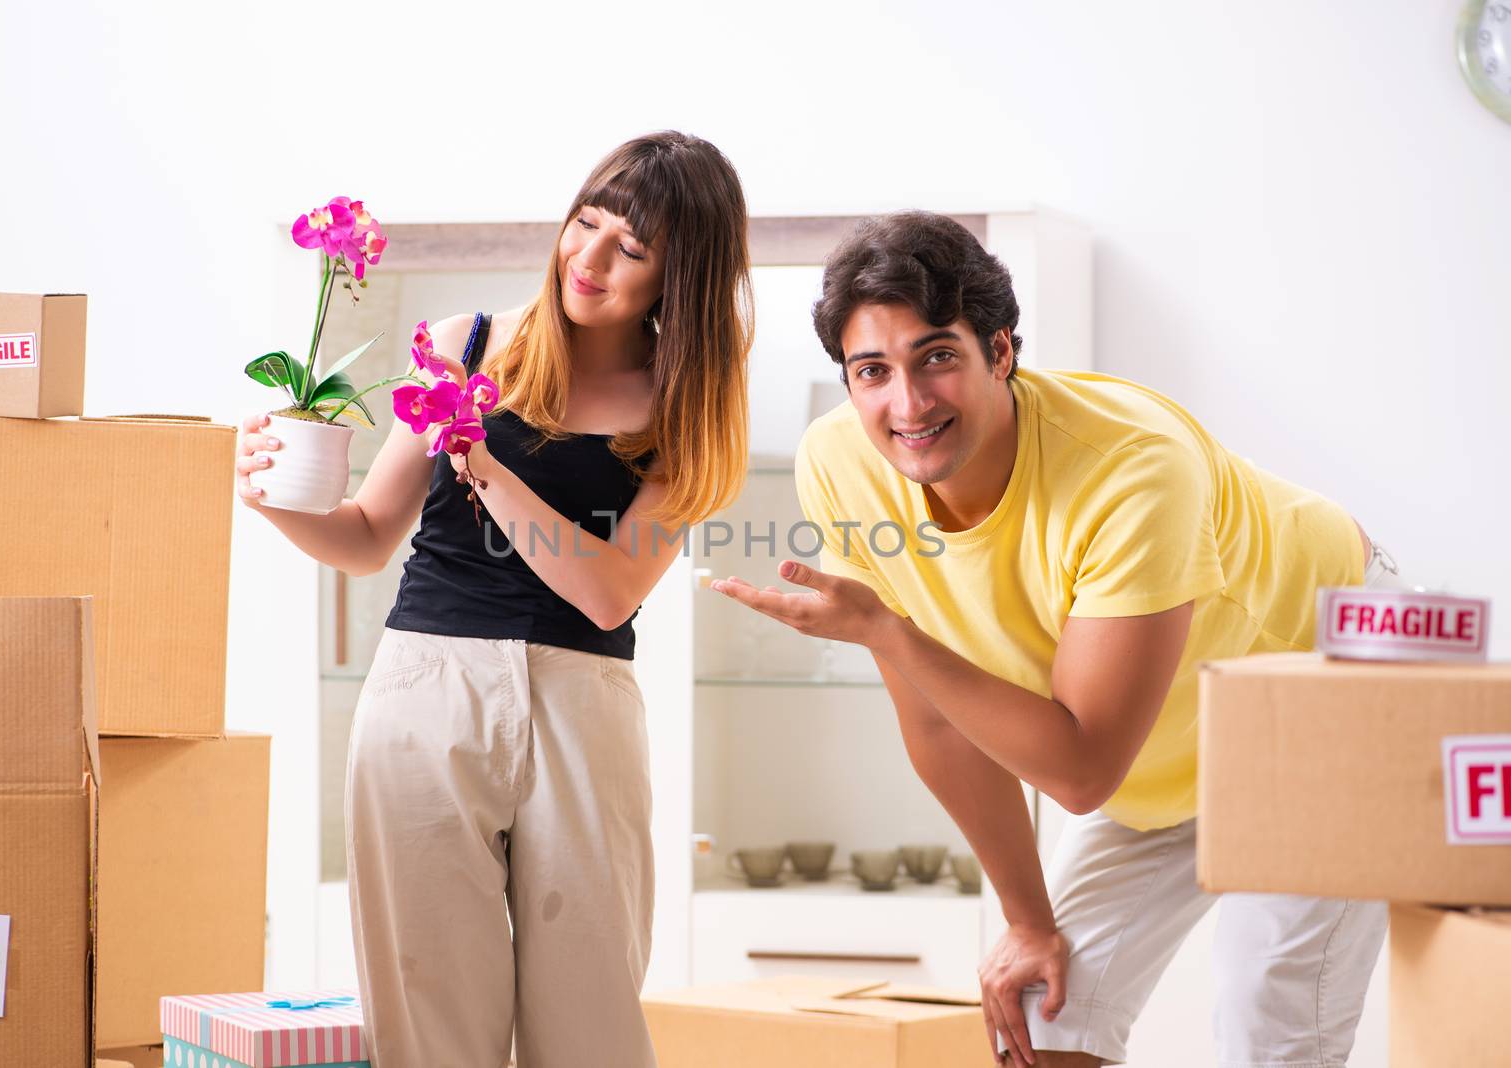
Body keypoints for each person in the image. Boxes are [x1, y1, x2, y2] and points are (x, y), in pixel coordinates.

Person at [711, 210, 1398, 1068]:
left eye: (938, 358)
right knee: (1041, 1017)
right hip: (1159, 730)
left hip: (1314, 679)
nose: (908, 402)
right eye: (872, 371)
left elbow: (1079, 771)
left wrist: (886, 631)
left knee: (1271, 1029)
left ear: (1001, 351)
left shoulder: (1134, 469)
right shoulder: (841, 463)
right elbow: (935, 725)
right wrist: (1028, 921)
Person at [236, 131, 752, 1068]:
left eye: (630, 249)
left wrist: (479, 458)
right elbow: (362, 539)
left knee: (590, 1024)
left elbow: (607, 592)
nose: (587, 260)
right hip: (426, 689)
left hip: (581, 708)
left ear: (682, 277)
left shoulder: (687, 404)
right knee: (427, 1020)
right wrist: (273, 500)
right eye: (584, 224)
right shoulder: (459, 346)